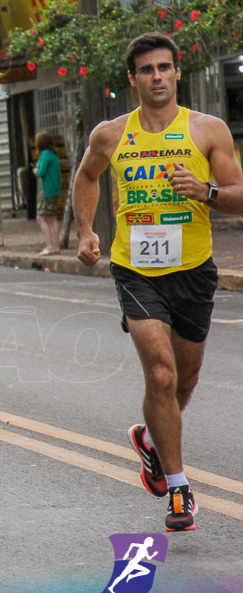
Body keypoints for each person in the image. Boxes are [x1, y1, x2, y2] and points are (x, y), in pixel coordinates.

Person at [73, 32, 243, 532]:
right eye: (146, 70)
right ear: (133, 79)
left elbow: (238, 194)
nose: (157, 77)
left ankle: (151, 440)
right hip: (135, 268)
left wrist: (206, 190)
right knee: (162, 376)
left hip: (193, 268)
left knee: (185, 380)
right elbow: (86, 177)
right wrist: (86, 231)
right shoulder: (111, 134)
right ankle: (178, 489)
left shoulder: (207, 131)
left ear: (176, 73)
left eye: (164, 68)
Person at [34, 131, 62, 256]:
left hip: (47, 190)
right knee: (52, 218)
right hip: (55, 189)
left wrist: (35, 170)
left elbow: (41, 172)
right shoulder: (54, 154)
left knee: (41, 217)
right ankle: (56, 246)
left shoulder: (45, 155)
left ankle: (50, 245)